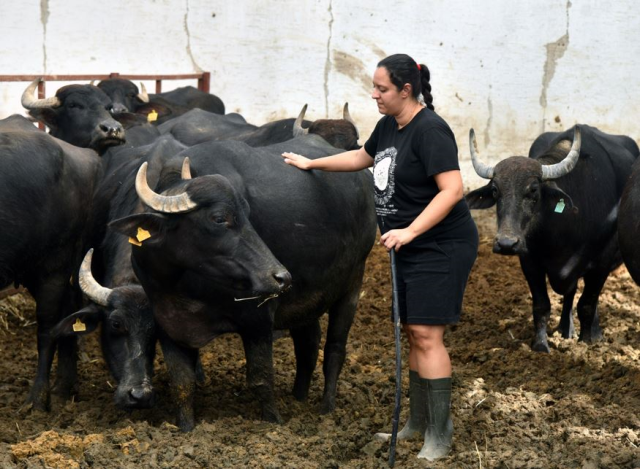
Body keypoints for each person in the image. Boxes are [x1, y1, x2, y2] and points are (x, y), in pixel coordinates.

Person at [281, 53, 478, 461]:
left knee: (427, 334)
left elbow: (452, 190)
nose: (374, 95)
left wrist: (409, 230)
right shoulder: (391, 125)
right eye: (374, 87)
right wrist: (312, 161)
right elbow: (362, 158)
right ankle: (418, 423)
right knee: (413, 329)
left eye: (382, 88)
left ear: (406, 90)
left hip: (439, 244)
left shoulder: (431, 131)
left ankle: (440, 434)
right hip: (406, 244)